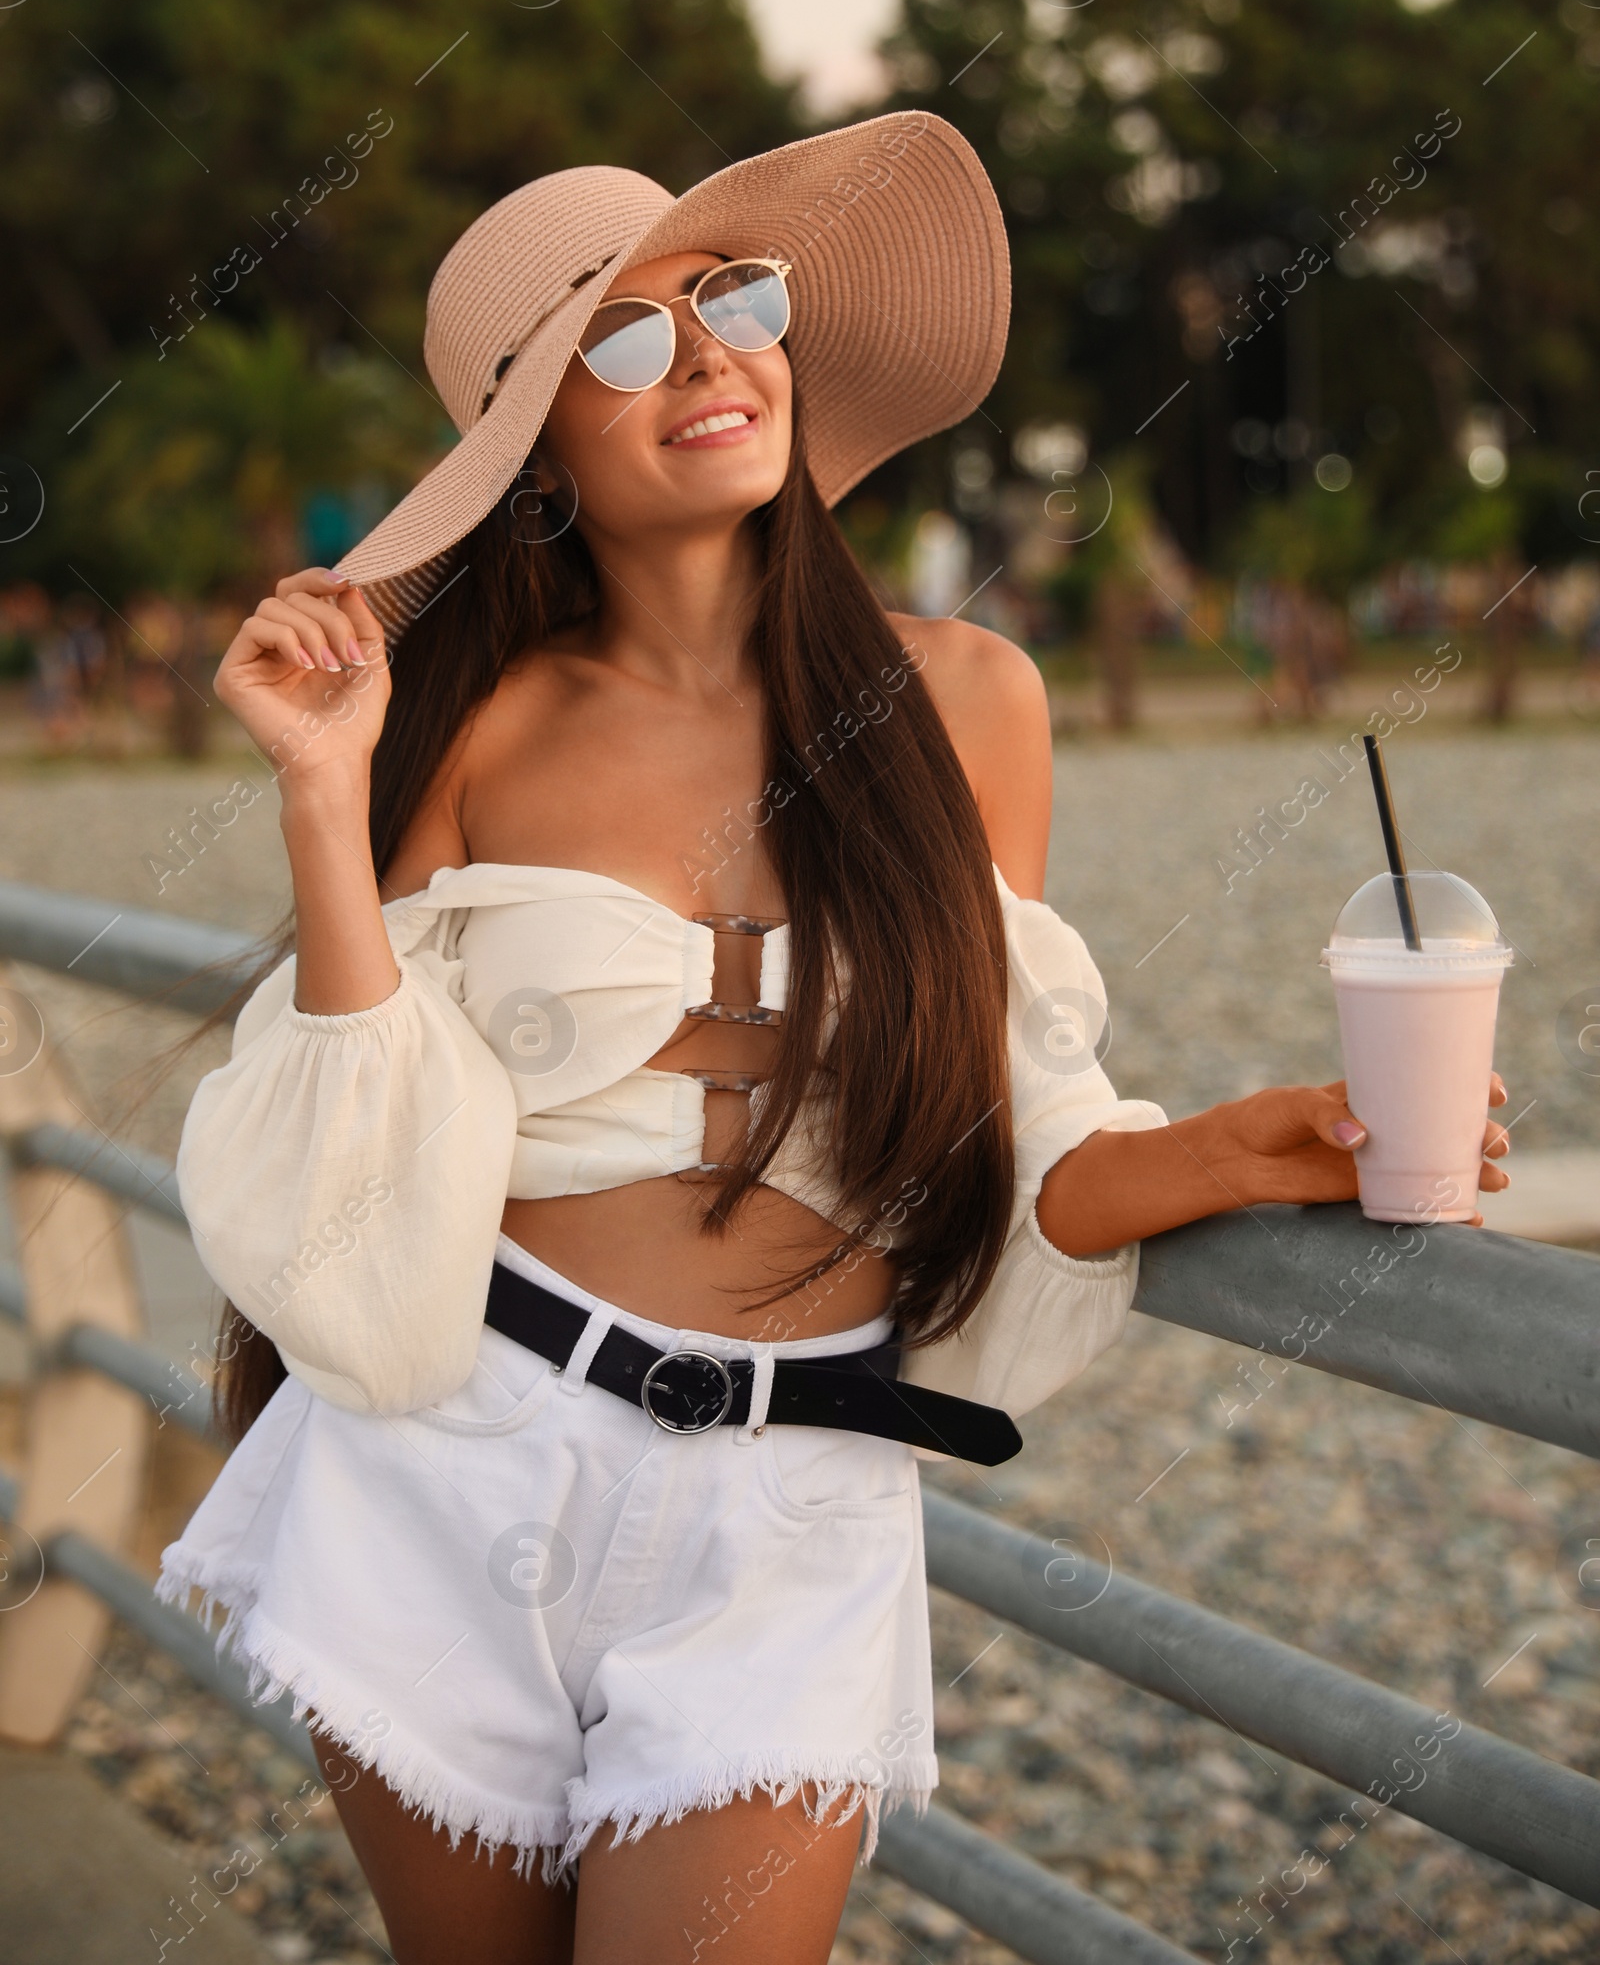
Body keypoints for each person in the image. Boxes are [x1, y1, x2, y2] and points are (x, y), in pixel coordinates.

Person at [158, 118, 1511, 1965]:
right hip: (451, 1461)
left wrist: (1238, 1149)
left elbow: (1011, 1117)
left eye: (731, 300)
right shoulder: (470, 723)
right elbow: (354, 1152)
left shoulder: (967, 701)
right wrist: (323, 796)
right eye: (618, 345)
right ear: (531, 458)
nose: (706, 354)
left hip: (798, 1494)